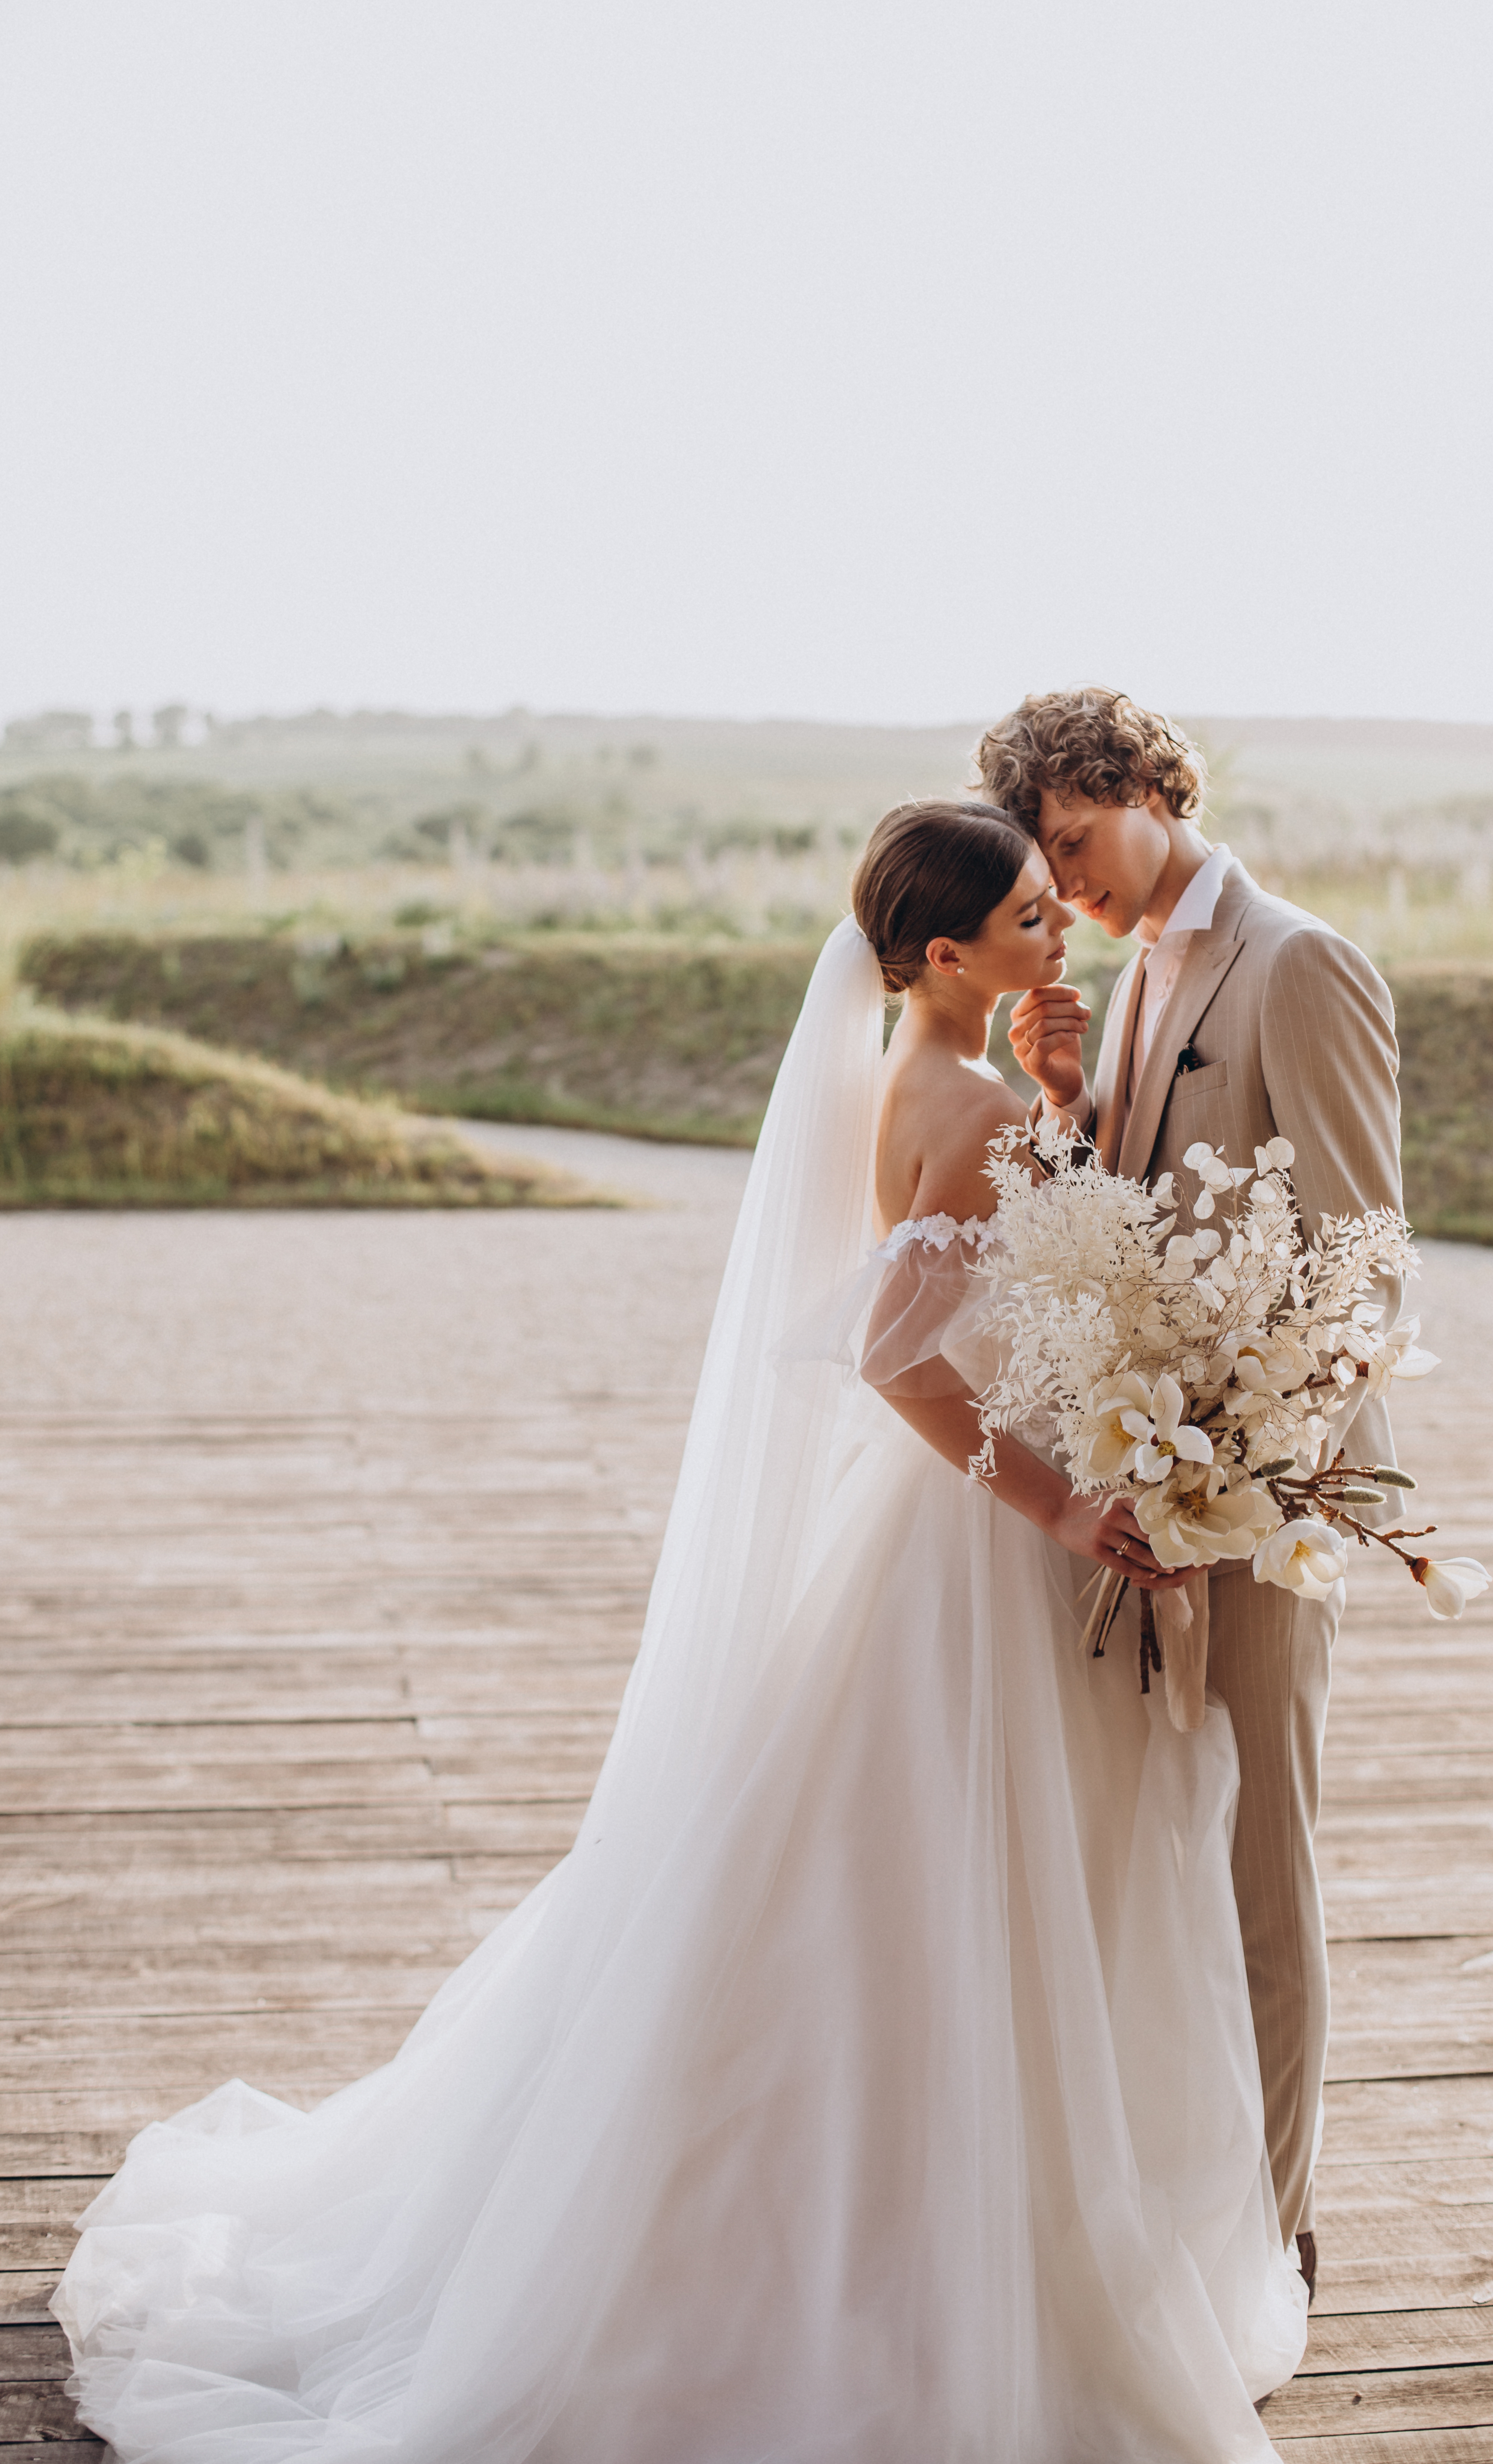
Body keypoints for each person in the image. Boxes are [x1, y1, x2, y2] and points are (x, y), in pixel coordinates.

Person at [53, 799, 1306, 2464]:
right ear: (940, 955)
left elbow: (977, 1275)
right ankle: (909, 2266)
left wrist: (1062, 1105)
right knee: (946, 1894)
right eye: (1021, 916)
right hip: (975, 1558)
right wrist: (1070, 1508)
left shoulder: (934, 1081)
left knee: (914, 1892)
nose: (1051, 929)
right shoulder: (966, 1102)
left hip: (937, 1549)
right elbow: (894, 1357)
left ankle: (935, 2228)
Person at [977, 687, 1405, 2306]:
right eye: (1046, 866)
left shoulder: (1295, 963)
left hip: (1269, 1509)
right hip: (1154, 1504)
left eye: (1075, 845)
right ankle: (1186, 2215)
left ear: (1139, 787)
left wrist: (1246, 1481)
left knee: (1256, 1866)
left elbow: (1364, 1270)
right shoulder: (1136, 968)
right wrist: (1066, 1109)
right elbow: (1131, 1236)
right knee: (1167, 1855)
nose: (1066, 888)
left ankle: (1277, 2237)